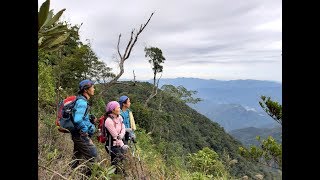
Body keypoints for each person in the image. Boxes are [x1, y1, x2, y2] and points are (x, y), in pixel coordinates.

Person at [70, 79, 98, 176]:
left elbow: (81, 117)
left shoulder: (82, 101)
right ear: (86, 90)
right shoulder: (82, 102)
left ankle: (70, 174)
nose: (94, 89)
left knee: (77, 156)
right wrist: (85, 130)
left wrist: (90, 120)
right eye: (92, 87)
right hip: (81, 135)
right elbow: (77, 119)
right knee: (93, 156)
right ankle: (88, 177)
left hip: (77, 134)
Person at [104, 101, 128, 174]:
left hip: (119, 144)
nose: (120, 109)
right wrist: (123, 145)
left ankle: (115, 175)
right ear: (113, 110)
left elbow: (123, 127)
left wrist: (122, 134)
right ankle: (117, 175)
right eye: (118, 107)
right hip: (111, 145)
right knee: (119, 160)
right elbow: (115, 135)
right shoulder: (108, 121)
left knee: (119, 162)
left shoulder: (119, 117)